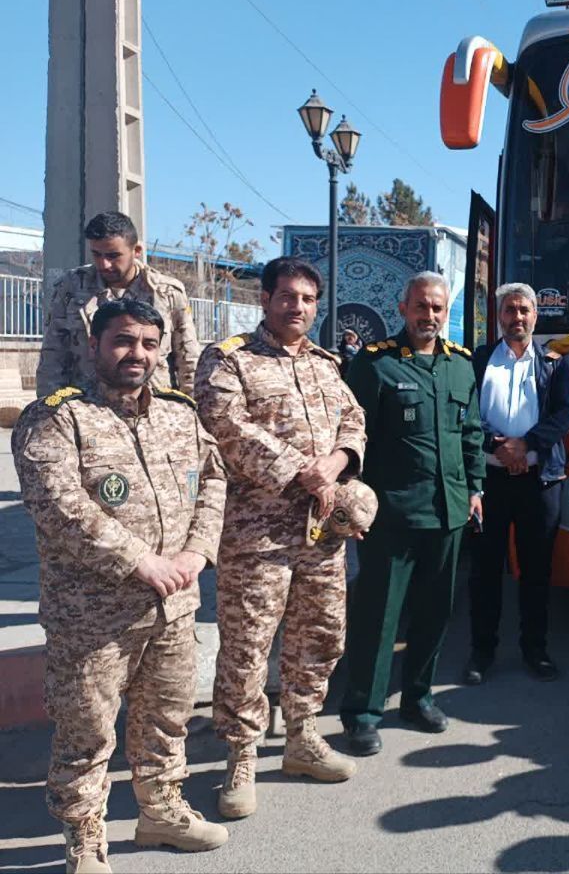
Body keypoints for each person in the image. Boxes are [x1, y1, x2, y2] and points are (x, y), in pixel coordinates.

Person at [14, 298, 228, 873]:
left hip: (175, 607)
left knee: (166, 718)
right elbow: (59, 506)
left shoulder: (180, 414)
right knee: (86, 731)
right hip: (93, 618)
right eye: (124, 341)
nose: (138, 354)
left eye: (150, 344)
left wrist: (197, 550)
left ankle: (161, 812)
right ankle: (85, 839)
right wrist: (142, 561)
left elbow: (213, 478)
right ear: (94, 346)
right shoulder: (57, 418)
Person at [194, 256, 367, 820]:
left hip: (320, 534)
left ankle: (301, 738)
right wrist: (303, 470)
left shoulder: (325, 365)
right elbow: (224, 427)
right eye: (288, 297)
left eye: (308, 300)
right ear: (265, 299)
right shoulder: (229, 360)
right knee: (247, 648)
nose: (298, 307)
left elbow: (353, 418)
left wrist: (339, 460)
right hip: (255, 535)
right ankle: (241, 756)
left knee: (319, 637)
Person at [340, 272, 485, 755]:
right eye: (421, 307)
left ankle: (418, 697)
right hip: (393, 515)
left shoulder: (462, 366)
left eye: (438, 309)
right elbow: (354, 437)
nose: (429, 317)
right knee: (378, 617)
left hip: (449, 512)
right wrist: (351, 501)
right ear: (404, 308)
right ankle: (362, 712)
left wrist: (476, 488)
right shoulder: (375, 365)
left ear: (447, 313)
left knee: (434, 613)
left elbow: (472, 434)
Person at [464, 282, 569, 684]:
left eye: (524, 310)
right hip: (489, 481)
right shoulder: (477, 361)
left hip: (539, 480)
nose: (517, 318)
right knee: (485, 570)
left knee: (536, 570)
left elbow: (564, 416)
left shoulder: (553, 363)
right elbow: (464, 416)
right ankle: (482, 651)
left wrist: (526, 444)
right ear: (499, 316)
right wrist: (500, 447)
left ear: (535, 316)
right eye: (510, 311)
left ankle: (535, 649)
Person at [37, 211, 200, 397]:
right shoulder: (71, 287)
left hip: (153, 408)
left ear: (136, 251)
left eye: (113, 255)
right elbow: (53, 355)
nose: (104, 264)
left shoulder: (167, 293)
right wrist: (48, 407)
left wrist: (191, 407)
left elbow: (188, 358)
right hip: (89, 407)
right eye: (96, 254)